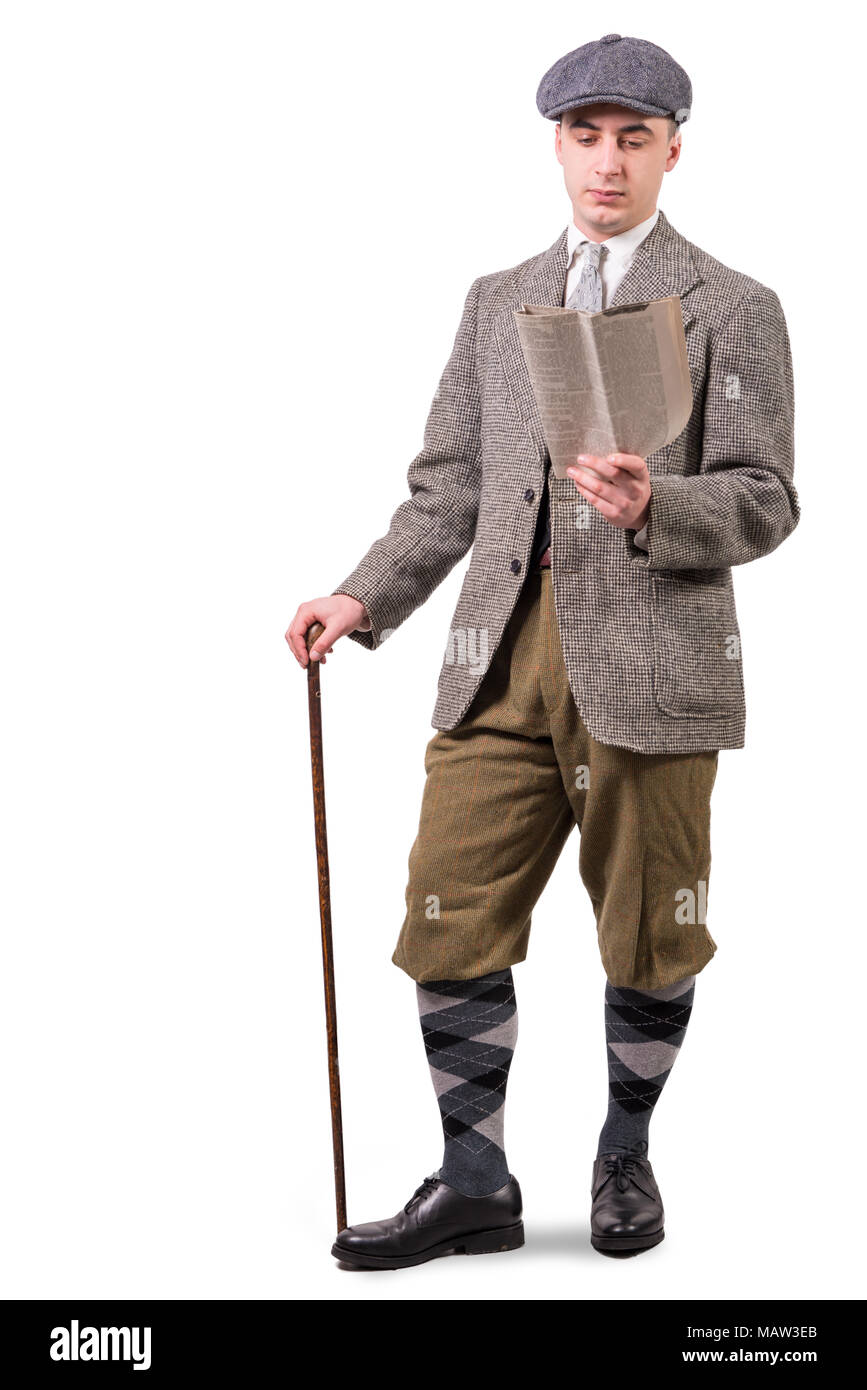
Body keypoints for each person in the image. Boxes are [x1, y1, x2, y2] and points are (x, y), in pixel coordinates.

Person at [286, 33, 799, 1267]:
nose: (608, 163)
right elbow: (448, 490)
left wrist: (655, 507)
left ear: (675, 147)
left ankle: (624, 1153)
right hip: (497, 661)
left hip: (657, 668)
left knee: (648, 933)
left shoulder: (734, 305)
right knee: (446, 911)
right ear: (557, 145)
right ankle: (475, 1181)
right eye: (586, 135)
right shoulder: (494, 299)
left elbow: (767, 497)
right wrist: (362, 597)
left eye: (634, 136)